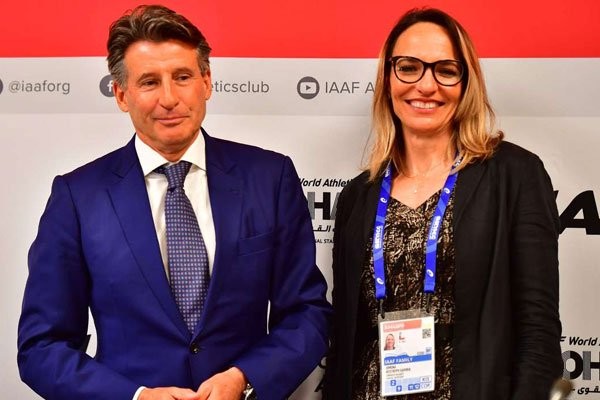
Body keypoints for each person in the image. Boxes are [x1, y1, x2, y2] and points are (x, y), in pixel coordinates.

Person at [17, 5, 331, 400]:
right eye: (149, 82)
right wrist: (135, 397)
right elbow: (42, 349)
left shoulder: (269, 177)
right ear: (121, 94)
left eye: (182, 77)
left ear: (206, 82)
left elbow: (307, 314)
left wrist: (245, 378)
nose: (169, 98)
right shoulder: (78, 197)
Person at [323, 7, 562, 400]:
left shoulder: (514, 175)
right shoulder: (357, 197)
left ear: (466, 83)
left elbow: (538, 331)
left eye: (445, 70)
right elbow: (345, 336)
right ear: (387, 79)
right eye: (408, 67)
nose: (426, 85)